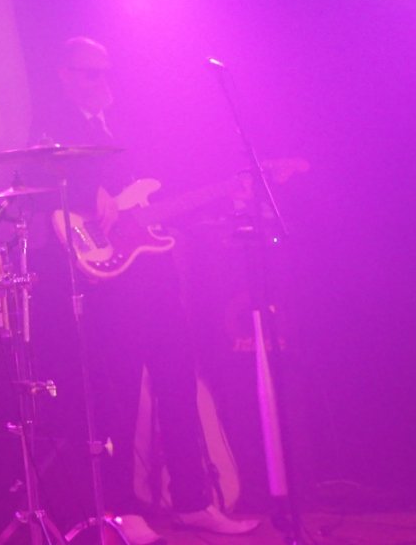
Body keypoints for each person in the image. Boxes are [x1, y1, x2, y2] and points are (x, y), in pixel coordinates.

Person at [30, 36, 259, 545]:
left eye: (105, 71)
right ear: (65, 75)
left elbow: (160, 198)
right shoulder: (50, 127)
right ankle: (121, 508)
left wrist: (227, 195)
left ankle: (193, 501)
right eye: (90, 72)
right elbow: (33, 182)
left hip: (155, 277)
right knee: (120, 397)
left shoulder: (128, 126)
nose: (101, 82)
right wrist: (88, 190)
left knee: (178, 384)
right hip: (110, 286)